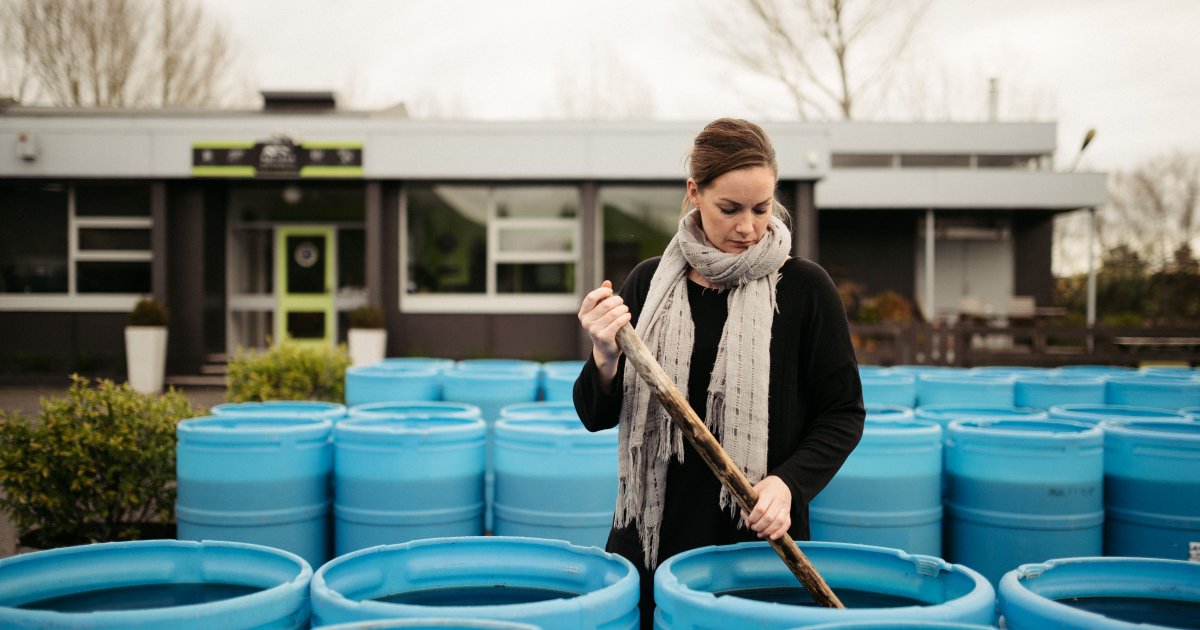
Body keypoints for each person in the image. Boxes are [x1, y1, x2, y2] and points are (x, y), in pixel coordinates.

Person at [573, 118, 865, 627]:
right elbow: (596, 414)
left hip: (754, 542)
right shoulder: (650, 283)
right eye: (729, 209)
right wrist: (603, 354)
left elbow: (842, 414)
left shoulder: (805, 289)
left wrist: (787, 485)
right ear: (695, 194)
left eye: (761, 208)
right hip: (651, 538)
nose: (747, 227)